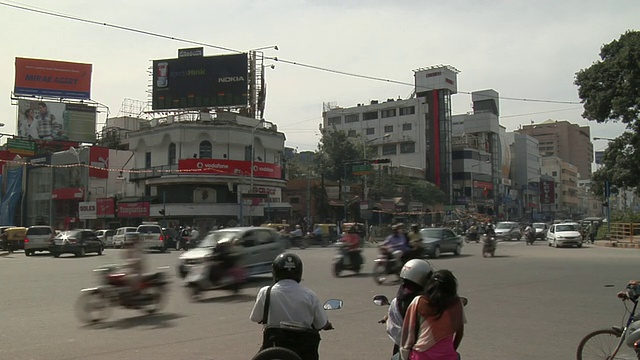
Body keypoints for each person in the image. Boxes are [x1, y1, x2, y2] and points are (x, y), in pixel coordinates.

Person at [250, 252, 333, 360]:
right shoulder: (310, 295)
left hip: (274, 346)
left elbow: (256, 318)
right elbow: (321, 324)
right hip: (304, 350)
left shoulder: (266, 292)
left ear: (275, 271)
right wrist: (327, 325)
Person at [400, 269, 466, 360]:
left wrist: (405, 351)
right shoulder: (456, 304)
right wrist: (451, 351)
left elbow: (409, 330)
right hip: (448, 355)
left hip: (421, 355)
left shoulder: (419, 301)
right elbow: (460, 332)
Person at [384, 259, 434, 357]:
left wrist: (387, 320)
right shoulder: (433, 299)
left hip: (410, 348)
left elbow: (396, 330)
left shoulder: (399, 300)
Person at [121, 233, 146, 301]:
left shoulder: (138, 249)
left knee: (132, 278)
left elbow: (138, 260)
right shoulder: (130, 250)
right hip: (129, 269)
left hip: (137, 271)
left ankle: (136, 294)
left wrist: (130, 263)